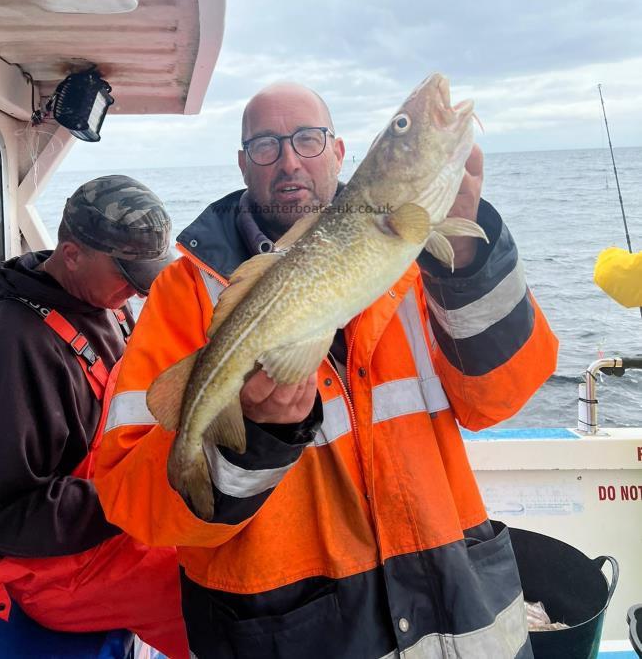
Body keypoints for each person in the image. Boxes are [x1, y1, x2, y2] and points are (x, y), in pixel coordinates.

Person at [95, 84, 559, 659]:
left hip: (456, 619)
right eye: (265, 145)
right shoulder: (183, 292)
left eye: (308, 140)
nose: (289, 160)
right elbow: (135, 503)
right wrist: (254, 440)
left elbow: (498, 401)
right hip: (288, 636)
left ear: (341, 152)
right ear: (242, 162)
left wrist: (466, 261)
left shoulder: (423, 259)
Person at [0, 175, 188, 658]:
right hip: (53, 568)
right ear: (71, 254)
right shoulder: (12, 346)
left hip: (116, 517)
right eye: (127, 278)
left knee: (240, 548)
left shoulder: (105, 307)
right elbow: (6, 517)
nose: (134, 295)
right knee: (211, 595)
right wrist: (142, 497)